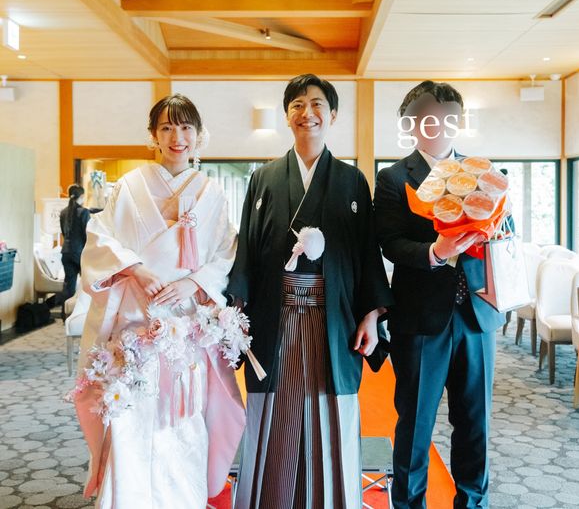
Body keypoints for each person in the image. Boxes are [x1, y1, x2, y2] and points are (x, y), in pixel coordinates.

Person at [228, 73, 392, 509]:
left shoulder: (352, 180)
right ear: (287, 116)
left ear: (332, 114)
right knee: (274, 410)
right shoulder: (264, 178)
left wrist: (371, 316)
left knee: (329, 410)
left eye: (317, 103)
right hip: (274, 315)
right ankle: (270, 498)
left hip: (333, 316)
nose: (308, 113)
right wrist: (236, 313)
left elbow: (367, 253)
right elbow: (247, 249)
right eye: (297, 105)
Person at [73, 94, 245, 509]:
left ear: (199, 135)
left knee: (182, 419)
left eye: (185, 127)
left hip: (185, 324)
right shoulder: (130, 186)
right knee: (131, 416)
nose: (176, 137)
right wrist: (135, 268)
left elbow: (226, 252)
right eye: (166, 127)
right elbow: (100, 237)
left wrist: (194, 282)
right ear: (153, 135)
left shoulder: (211, 193)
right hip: (135, 317)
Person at [374, 81, 506, 508]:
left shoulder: (482, 173)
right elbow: (389, 242)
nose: (437, 123)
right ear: (411, 123)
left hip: (477, 316)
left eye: (447, 115)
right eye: (426, 116)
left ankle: (473, 503)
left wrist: (495, 232)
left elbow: (505, 231)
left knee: (475, 424)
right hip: (420, 319)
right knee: (415, 425)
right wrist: (435, 251)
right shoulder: (394, 178)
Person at [59, 184, 90, 318]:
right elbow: (87, 235)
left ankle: (65, 315)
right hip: (81, 253)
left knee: (69, 285)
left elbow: (63, 232)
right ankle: (82, 314)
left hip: (66, 252)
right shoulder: (84, 212)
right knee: (87, 284)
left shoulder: (63, 212)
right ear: (82, 196)